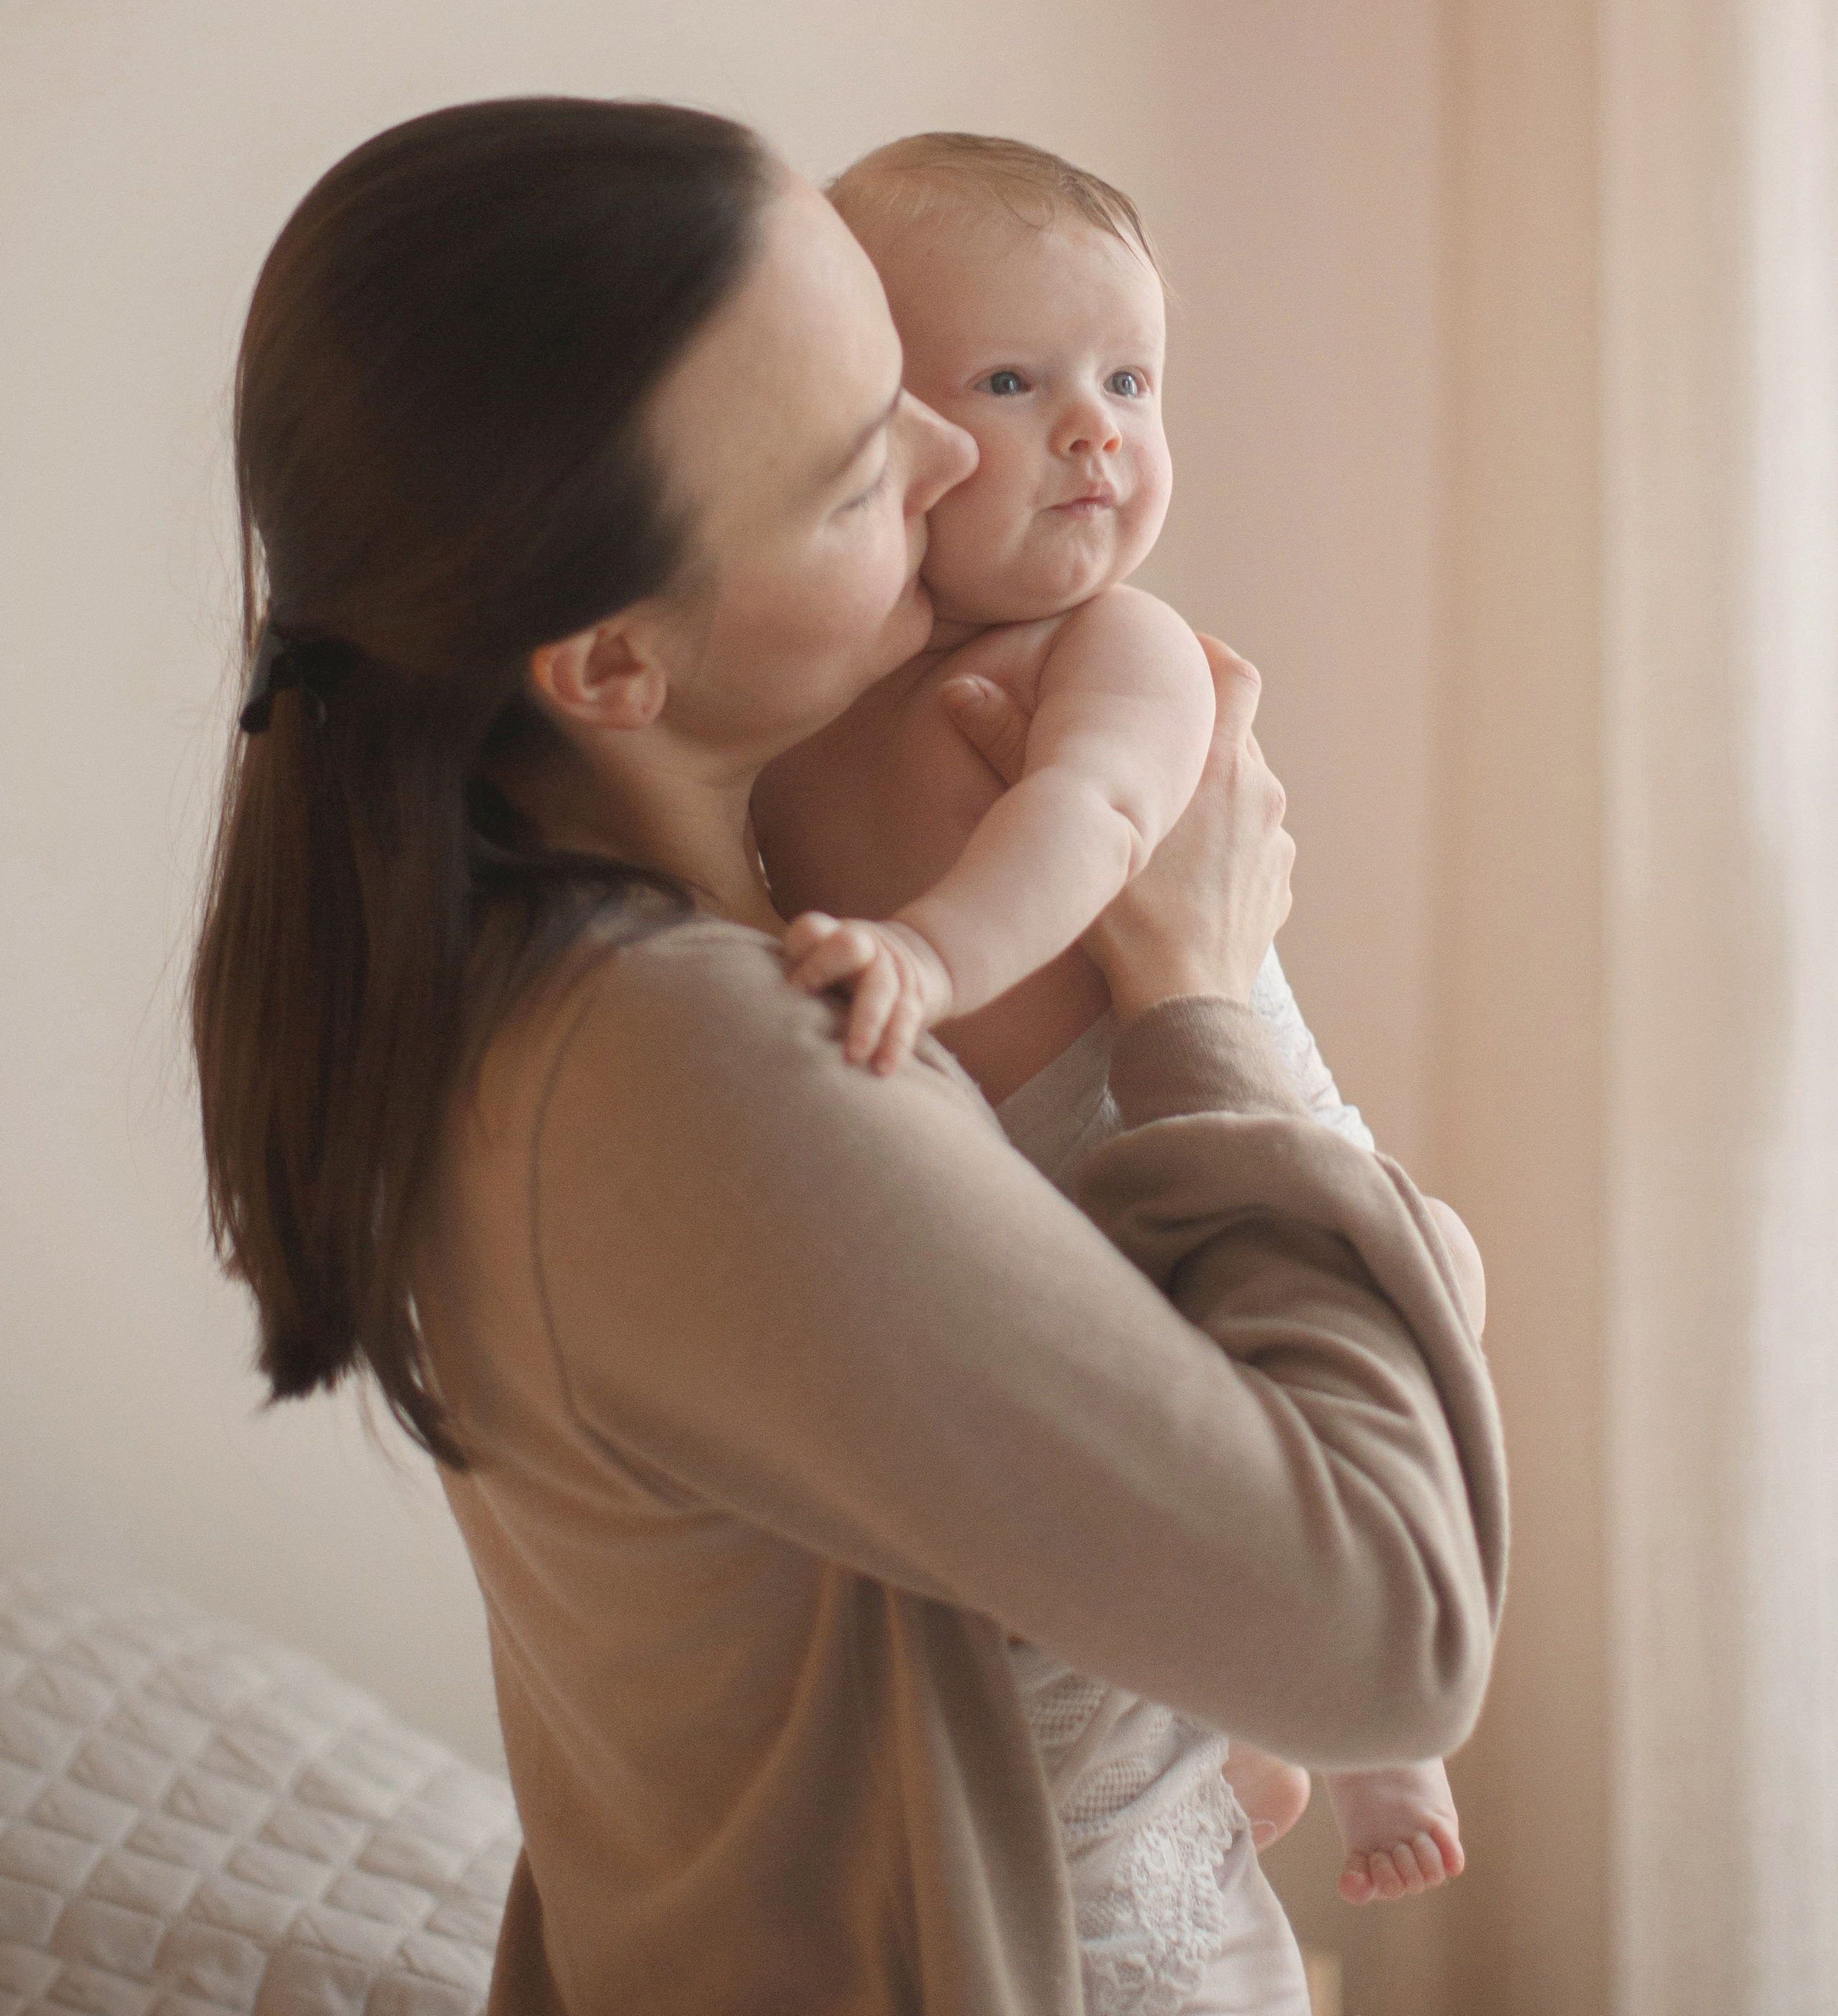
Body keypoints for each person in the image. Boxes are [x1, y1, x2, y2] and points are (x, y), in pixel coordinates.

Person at [192, 98, 1506, 2016]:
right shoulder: (688, 1059)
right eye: (851, 461)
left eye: (903, 377)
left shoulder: (522, 970)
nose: (955, 453)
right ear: (613, 662)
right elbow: (1393, 1635)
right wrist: (1197, 979)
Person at [752, 133, 1472, 1972]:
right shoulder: (823, 670)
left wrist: (929, 949)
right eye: (1013, 381)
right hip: (1019, 1165)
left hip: (1166, 1104)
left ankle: (1379, 1756)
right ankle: (1237, 1739)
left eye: (1130, 382)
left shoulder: (1113, 641)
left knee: (1313, 1386)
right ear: (871, 427)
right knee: (1145, 1476)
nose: (1092, 430)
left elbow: (1088, 821)